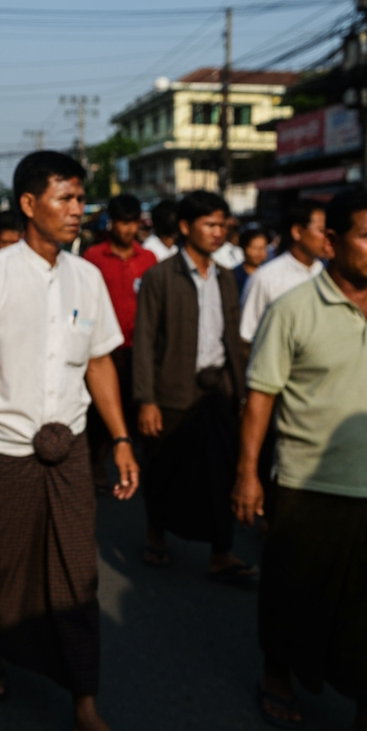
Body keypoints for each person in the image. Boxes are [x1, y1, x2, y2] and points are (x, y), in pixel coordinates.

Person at [0, 150, 144, 731]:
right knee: (1, 564)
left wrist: (120, 439)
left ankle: (85, 708)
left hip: (71, 449)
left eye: (81, 198)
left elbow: (100, 363)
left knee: (78, 573)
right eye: (66, 197)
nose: (78, 209)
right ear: (30, 204)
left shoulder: (87, 277)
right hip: (3, 448)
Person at [232, 188, 367, 731]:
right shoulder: (293, 308)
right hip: (305, 482)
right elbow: (260, 397)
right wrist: (248, 474)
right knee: (295, 593)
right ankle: (278, 676)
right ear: (333, 241)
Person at [131, 190, 251, 584]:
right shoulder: (160, 277)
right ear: (185, 226)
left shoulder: (226, 278)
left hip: (218, 390)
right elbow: (145, 341)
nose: (218, 232)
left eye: (222, 225)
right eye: (209, 224)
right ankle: (156, 534)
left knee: (221, 473)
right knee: (164, 469)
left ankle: (221, 552)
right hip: (171, 392)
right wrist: (146, 399)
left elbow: (232, 338)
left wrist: (242, 392)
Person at [81, 193, 158, 489]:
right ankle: (96, 464)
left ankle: (136, 464)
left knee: (135, 407)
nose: (128, 229)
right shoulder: (93, 258)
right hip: (104, 350)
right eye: (123, 223)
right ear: (112, 223)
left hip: (139, 349)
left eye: (133, 223)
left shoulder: (148, 259)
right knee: (99, 413)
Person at [238, 200, 331, 343]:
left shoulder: (326, 274)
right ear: (297, 231)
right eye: (321, 231)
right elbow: (247, 335)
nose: (327, 238)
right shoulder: (266, 277)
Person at [231, 227, 270, 296]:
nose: (259, 252)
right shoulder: (234, 276)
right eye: (255, 248)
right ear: (244, 249)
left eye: (263, 248)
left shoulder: (270, 274)